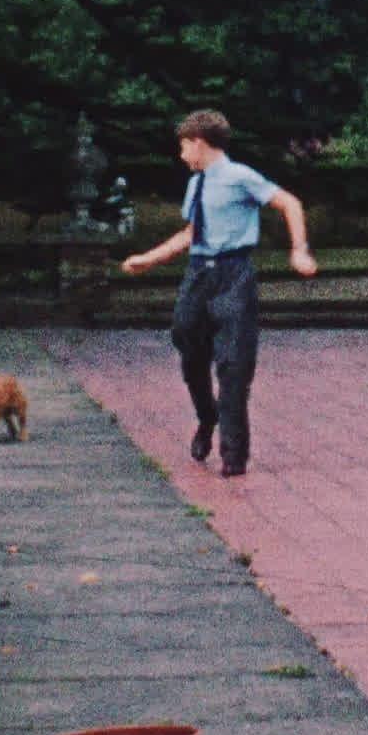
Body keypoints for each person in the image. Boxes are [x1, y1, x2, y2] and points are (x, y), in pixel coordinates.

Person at [121, 110, 315, 477]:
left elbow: (289, 203)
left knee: (233, 363)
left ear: (198, 142)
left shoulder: (240, 176)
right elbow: (192, 232)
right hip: (198, 274)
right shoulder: (197, 183)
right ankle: (206, 415)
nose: (181, 156)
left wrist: (299, 249)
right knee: (185, 340)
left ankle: (233, 454)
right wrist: (148, 259)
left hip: (234, 273)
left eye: (183, 147)